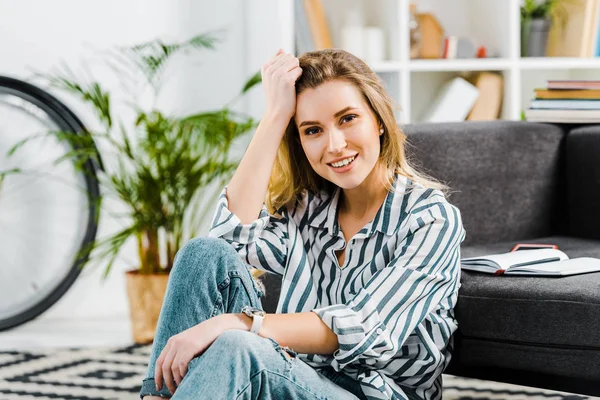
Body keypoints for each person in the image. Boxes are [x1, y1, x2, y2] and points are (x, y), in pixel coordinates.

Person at [140, 48, 465, 400]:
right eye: (313, 130)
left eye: (348, 119)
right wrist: (275, 116)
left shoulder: (430, 219)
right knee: (203, 253)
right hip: (299, 378)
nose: (335, 145)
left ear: (379, 120)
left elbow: (368, 329)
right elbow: (228, 241)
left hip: (375, 395)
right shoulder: (309, 210)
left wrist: (237, 322)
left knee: (239, 346)